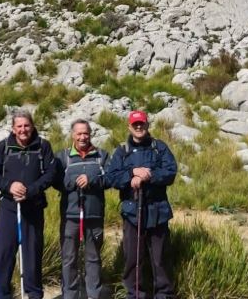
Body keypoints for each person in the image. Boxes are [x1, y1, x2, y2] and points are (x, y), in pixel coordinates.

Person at [106, 110, 178, 299]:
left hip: (158, 211)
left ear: (147, 125)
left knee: (160, 258)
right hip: (132, 213)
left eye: (142, 123)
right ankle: (135, 294)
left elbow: (170, 172)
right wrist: (131, 175)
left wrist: (150, 175)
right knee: (132, 259)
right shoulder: (122, 151)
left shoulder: (159, 147)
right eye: (135, 124)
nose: (139, 127)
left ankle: (164, 294)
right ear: (129, 126)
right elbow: (111, 177)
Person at [0, 110, 56, 299]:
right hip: (9, 208)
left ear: (32, 126)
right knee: (4, 254)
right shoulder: (4, 146)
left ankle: (33, 295)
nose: (23, 130)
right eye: (19, 126)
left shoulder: (43, 146)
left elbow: (51, 174)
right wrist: (9, 186)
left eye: (26, 125)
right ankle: (2, 295)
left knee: (32, 255)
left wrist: (30, 190)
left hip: (33, 208)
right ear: (13, 128)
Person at [55, 119, 109, 299]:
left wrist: (91, 179)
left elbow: (111, 179)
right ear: (72, 135)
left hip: (94, 216)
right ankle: (69, 295)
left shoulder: (102, 155)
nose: (82, 137)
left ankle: (93, 294)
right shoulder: (62, 157)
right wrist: (72, 182)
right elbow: (54, 181)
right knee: (69, 259)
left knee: (93, 258)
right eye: (79, 133)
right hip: (70, 216)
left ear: (90, 134)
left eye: (86, 133)